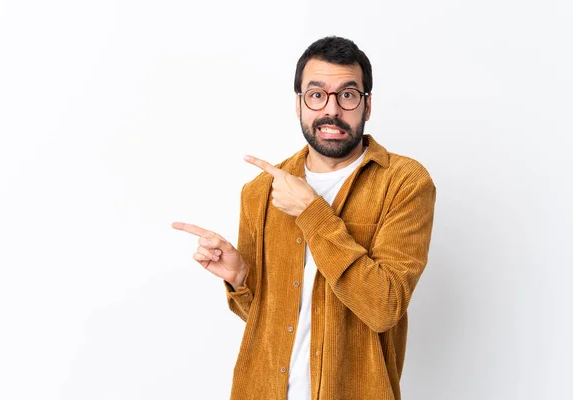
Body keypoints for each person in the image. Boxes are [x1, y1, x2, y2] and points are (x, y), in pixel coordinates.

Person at [172, 36, 436, 400]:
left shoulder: (404, 182)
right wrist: (239, 279)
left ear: (367, 105)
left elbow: (383, 308)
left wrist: (312, 213)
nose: (332, 110)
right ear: (299, 104)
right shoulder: (260, 192)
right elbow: (268, 323)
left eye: (347, 94)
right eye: (316, 95)